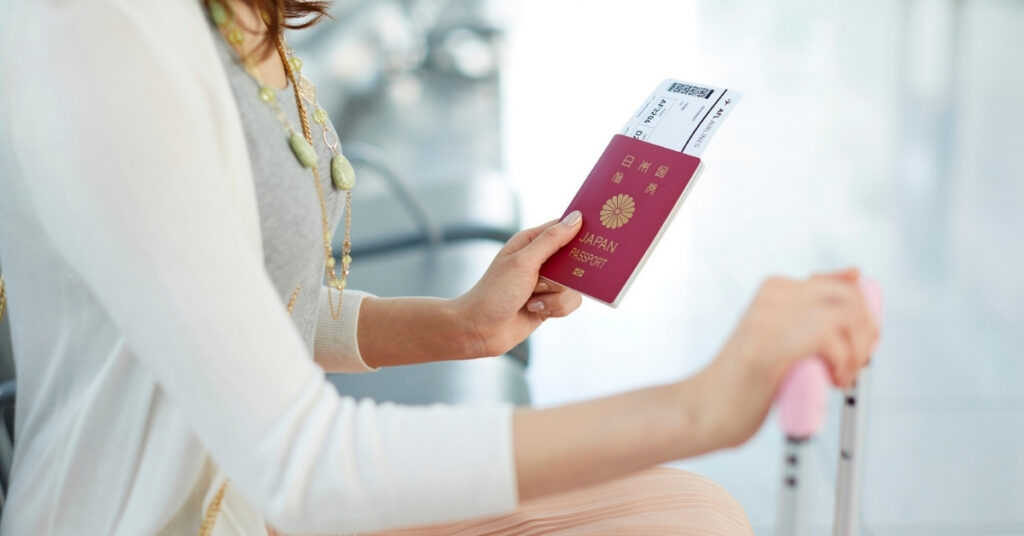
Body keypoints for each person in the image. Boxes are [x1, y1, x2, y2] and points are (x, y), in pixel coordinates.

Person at [0, 1, 878, 535]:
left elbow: (242, 307)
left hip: (251, 505)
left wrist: (460, 326)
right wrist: (699, 406)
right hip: (173, 518)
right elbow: (301, 464)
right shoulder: (97, 31)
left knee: (686, 516)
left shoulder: (231, 14)